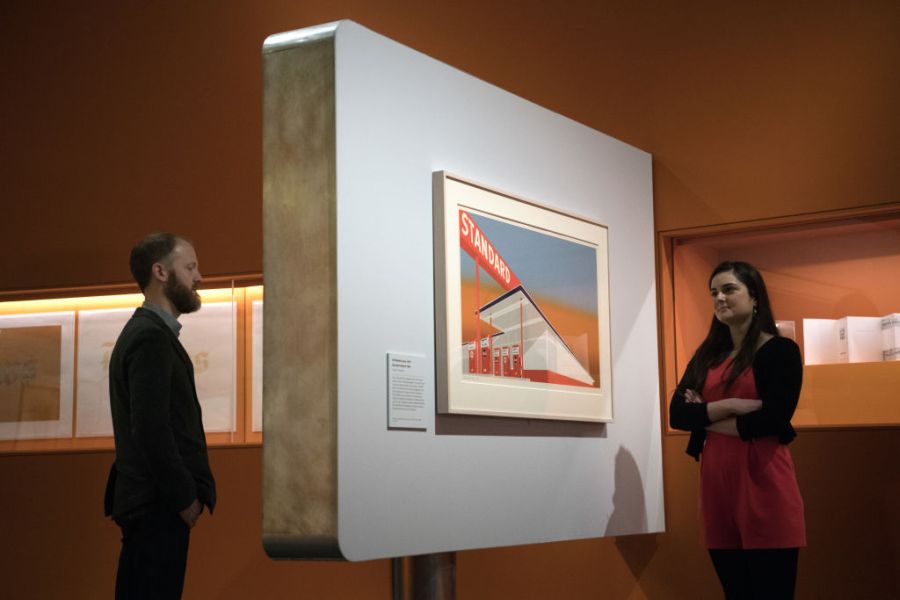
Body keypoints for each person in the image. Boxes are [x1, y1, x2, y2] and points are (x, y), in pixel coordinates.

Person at [669, 261, 805, 600]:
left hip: (764, 482)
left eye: (729, 289)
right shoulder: (706, 356)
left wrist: (704, 415)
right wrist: (730, 406)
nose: (719, 298)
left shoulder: (780, 350)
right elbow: (677, 415)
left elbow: (773, 420)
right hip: (717, 487)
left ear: (755, 297)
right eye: (714, 292)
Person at [104, 233, 216, 599]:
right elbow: (151, 429)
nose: (199, 276)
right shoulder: (150, 338)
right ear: (161, 272)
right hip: (157, 508)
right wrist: (184, 496)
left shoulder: (149, 335)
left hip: (153, 506)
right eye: (190, 266)